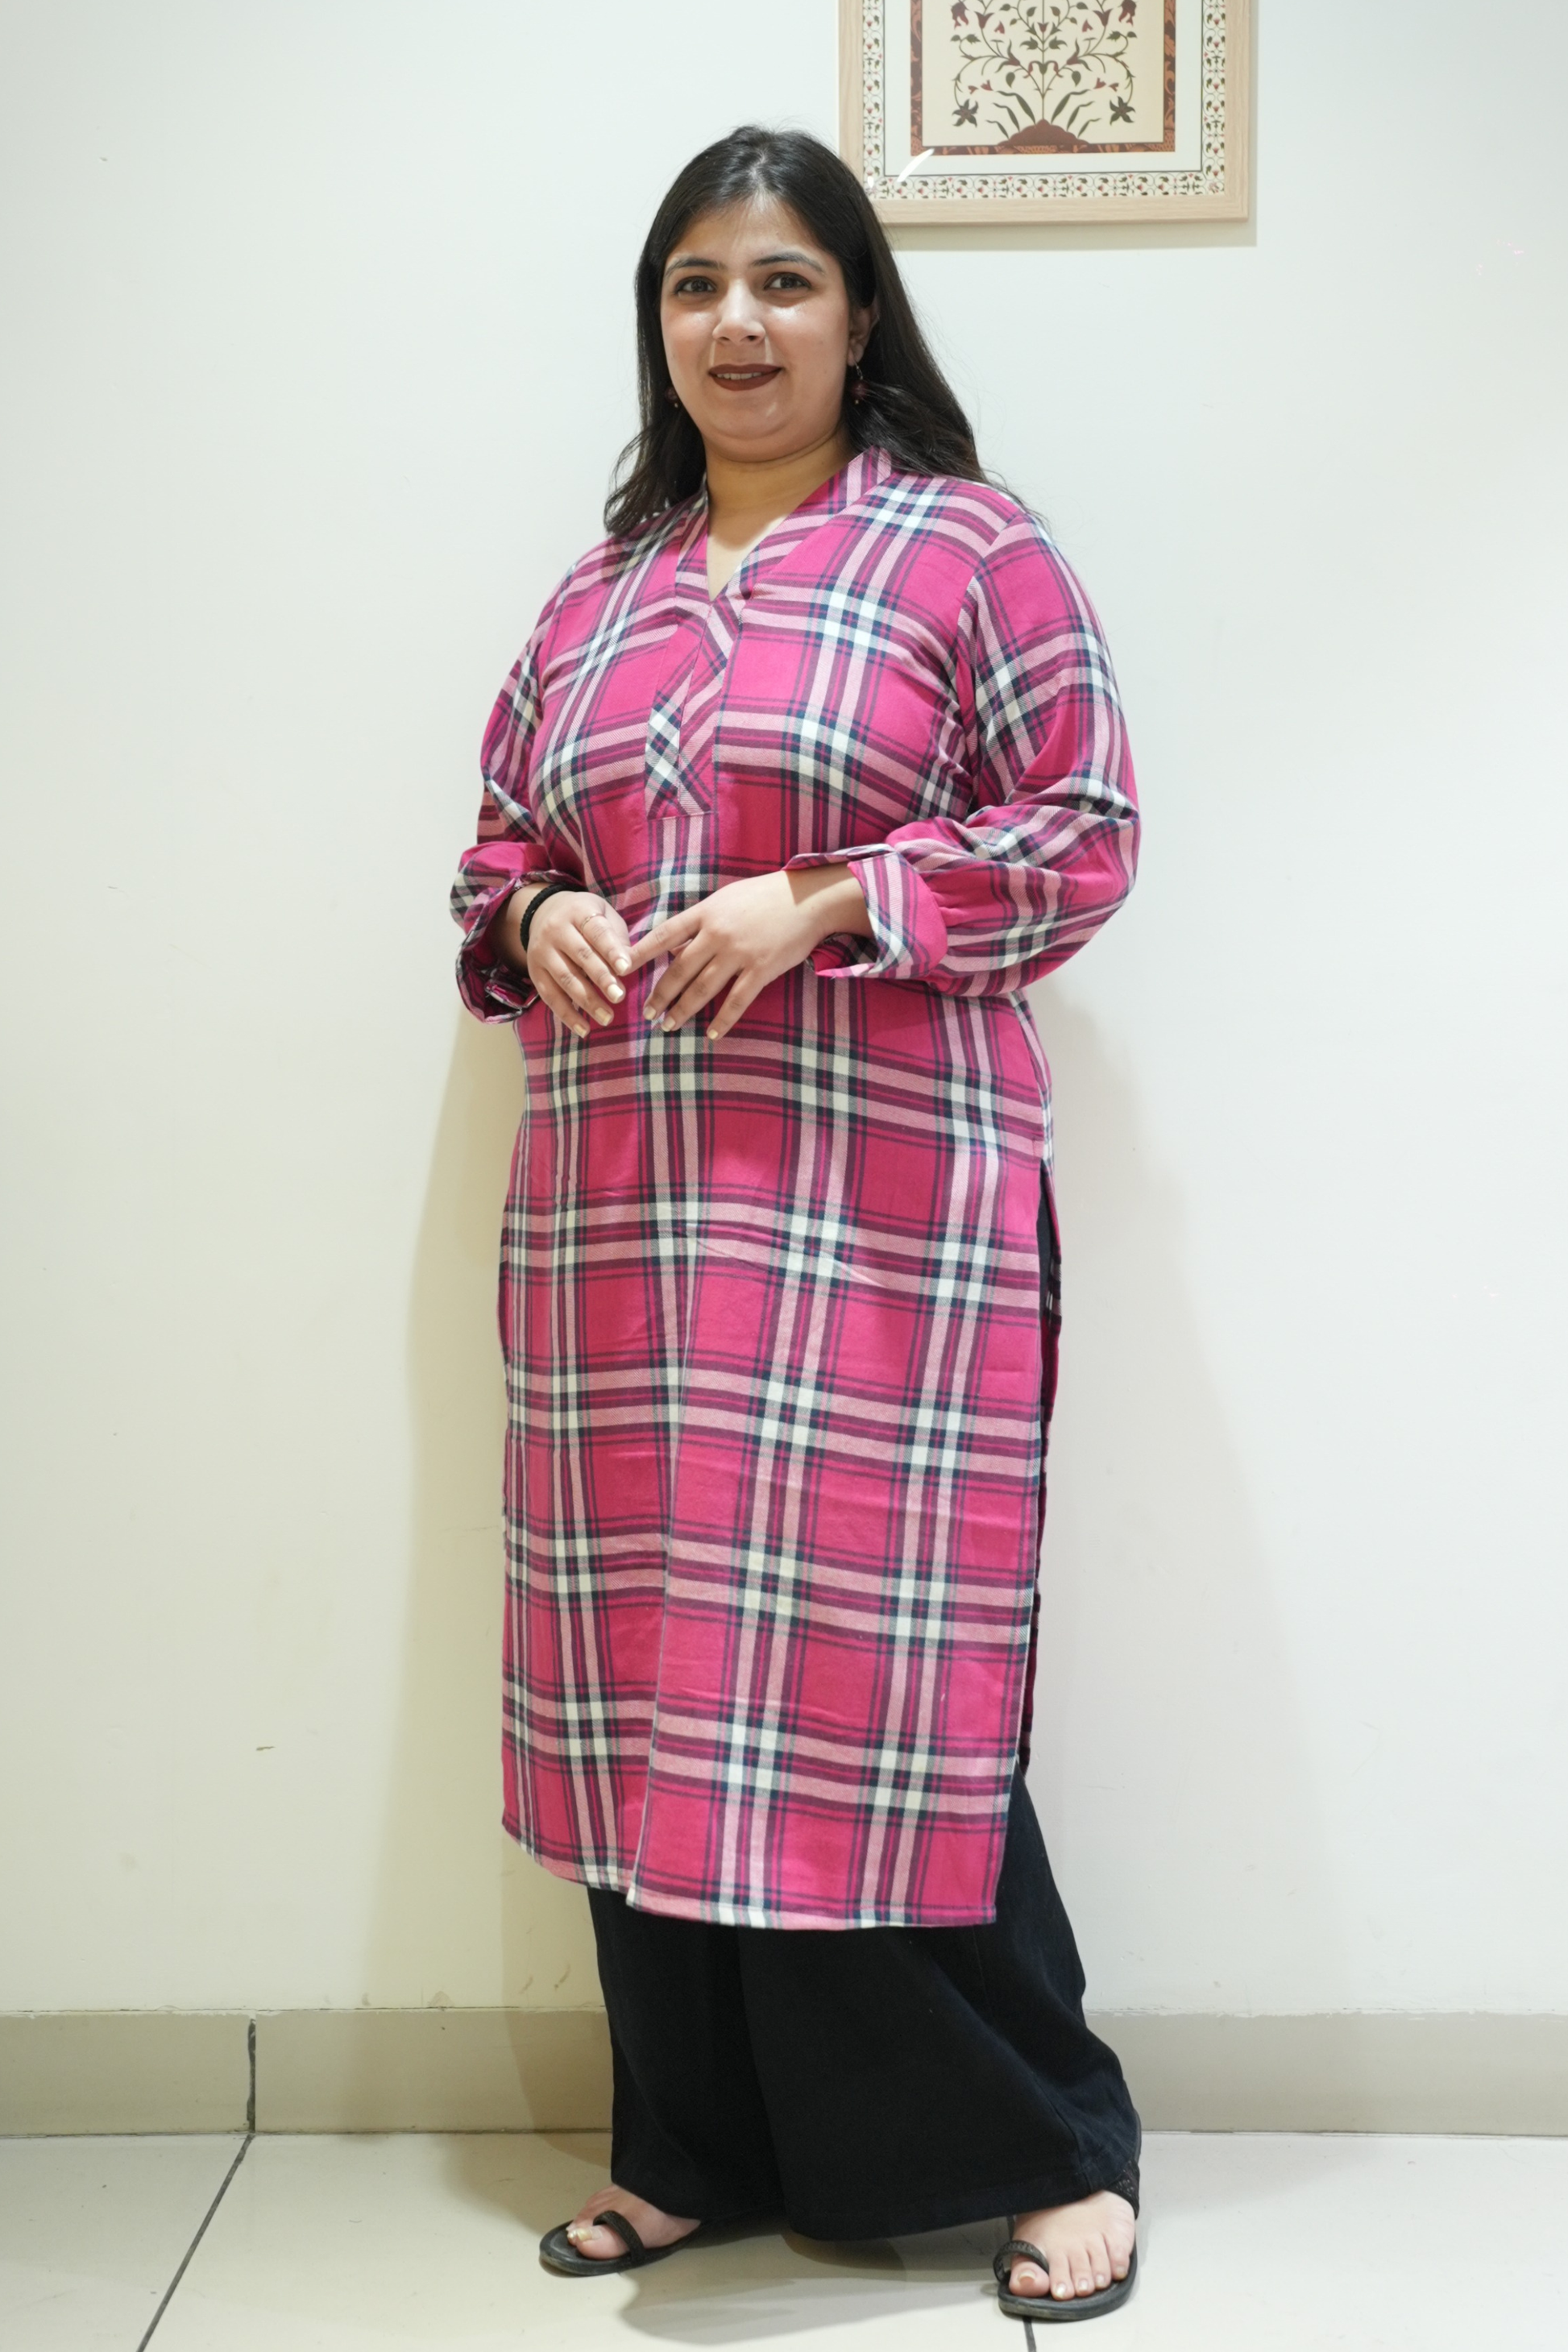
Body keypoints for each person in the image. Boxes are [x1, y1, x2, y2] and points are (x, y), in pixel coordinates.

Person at [450, 124, 1143, 2321]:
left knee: (878, 1665)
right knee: (653, 1672)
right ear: (656, 328)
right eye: (695, 287)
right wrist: (540, 914)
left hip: (882, 1228)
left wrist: (831, 894)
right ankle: (696, 2145)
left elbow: (1088, 831)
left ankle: (1043, 2143)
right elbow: (496, 847)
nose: (736, 324)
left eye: (781, 282)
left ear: (858, 316)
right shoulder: (601, 593)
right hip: (625, 1237)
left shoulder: (969, 551)